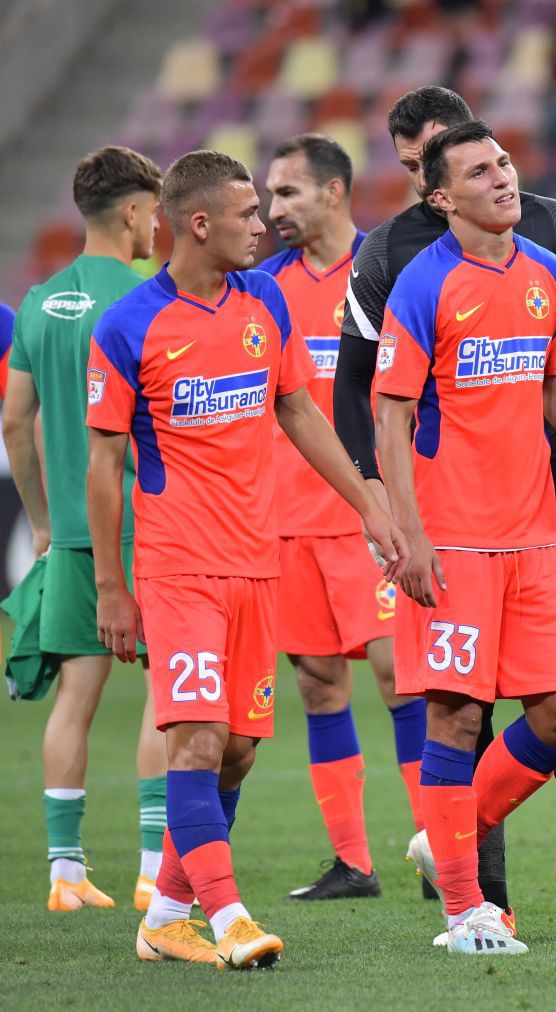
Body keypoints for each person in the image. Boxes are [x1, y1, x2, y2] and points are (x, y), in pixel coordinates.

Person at [336, 85, 556, 940]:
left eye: (504, 162)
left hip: (538, 536)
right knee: (457, 714)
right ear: (442, 198)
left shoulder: (545, 273)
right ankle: (470, 910)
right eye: (481, 170)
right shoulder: (421, 284)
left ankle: (450, 837)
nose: (505, 177)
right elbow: (389, 416)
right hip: (457, 540)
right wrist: (408, 534)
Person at [86, 149, 406, 968]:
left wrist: (373, 508)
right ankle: (228, 919)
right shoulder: (130, 327)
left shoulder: (264, 299)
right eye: (247, 212)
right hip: (178, 567)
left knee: (238, 749)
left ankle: (164, 912)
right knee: (195, 737)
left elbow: (300, 411)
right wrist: (112, 590)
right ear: (200, 224)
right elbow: (104, 465)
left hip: (256, 567)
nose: (264, 224)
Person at [1, 146, 168, 913]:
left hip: (70, 532)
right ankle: (149, 870)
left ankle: (65, 874)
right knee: (171, 697)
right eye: (155, 212)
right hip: (149, 526)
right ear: (133, 211)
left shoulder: (38, 300)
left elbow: (14, 423)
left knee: (76, 698)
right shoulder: (147, 299)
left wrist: (41, 520)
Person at [261, 133, 424, 901]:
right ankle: (354, 862)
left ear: (334, 191)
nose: (272, 210)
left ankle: (438, 851)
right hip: (287, 519)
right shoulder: (262, 289)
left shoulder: (385, 273)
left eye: (287, 193)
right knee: (318, 683)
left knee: (402, 675)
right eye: (267, 195)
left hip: (372, 514)